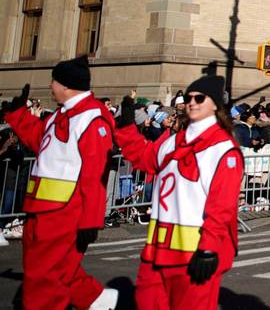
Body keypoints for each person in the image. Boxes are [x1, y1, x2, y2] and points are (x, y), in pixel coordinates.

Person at [113, 65, 243, 309]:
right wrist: (127, 126)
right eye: (189, 98)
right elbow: (143, 158)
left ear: (215, 104)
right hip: (158, 250)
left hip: (194, 253)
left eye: (199, 98)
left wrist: (209, 249)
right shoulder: (171, 141)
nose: (192, 103)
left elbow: (222, 206)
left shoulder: (224, 149)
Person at [2, 57, 117, 310]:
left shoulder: (91, 118)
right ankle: (100, 302)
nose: (50, 85)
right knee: (59, 271)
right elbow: (41, 140)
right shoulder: (61, 116)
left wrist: (90, 219)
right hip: (41, 210)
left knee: (44, 279)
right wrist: (18, 114)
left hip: (63, 213)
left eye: (54, 80)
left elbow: (95, 174)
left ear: (66, 85)